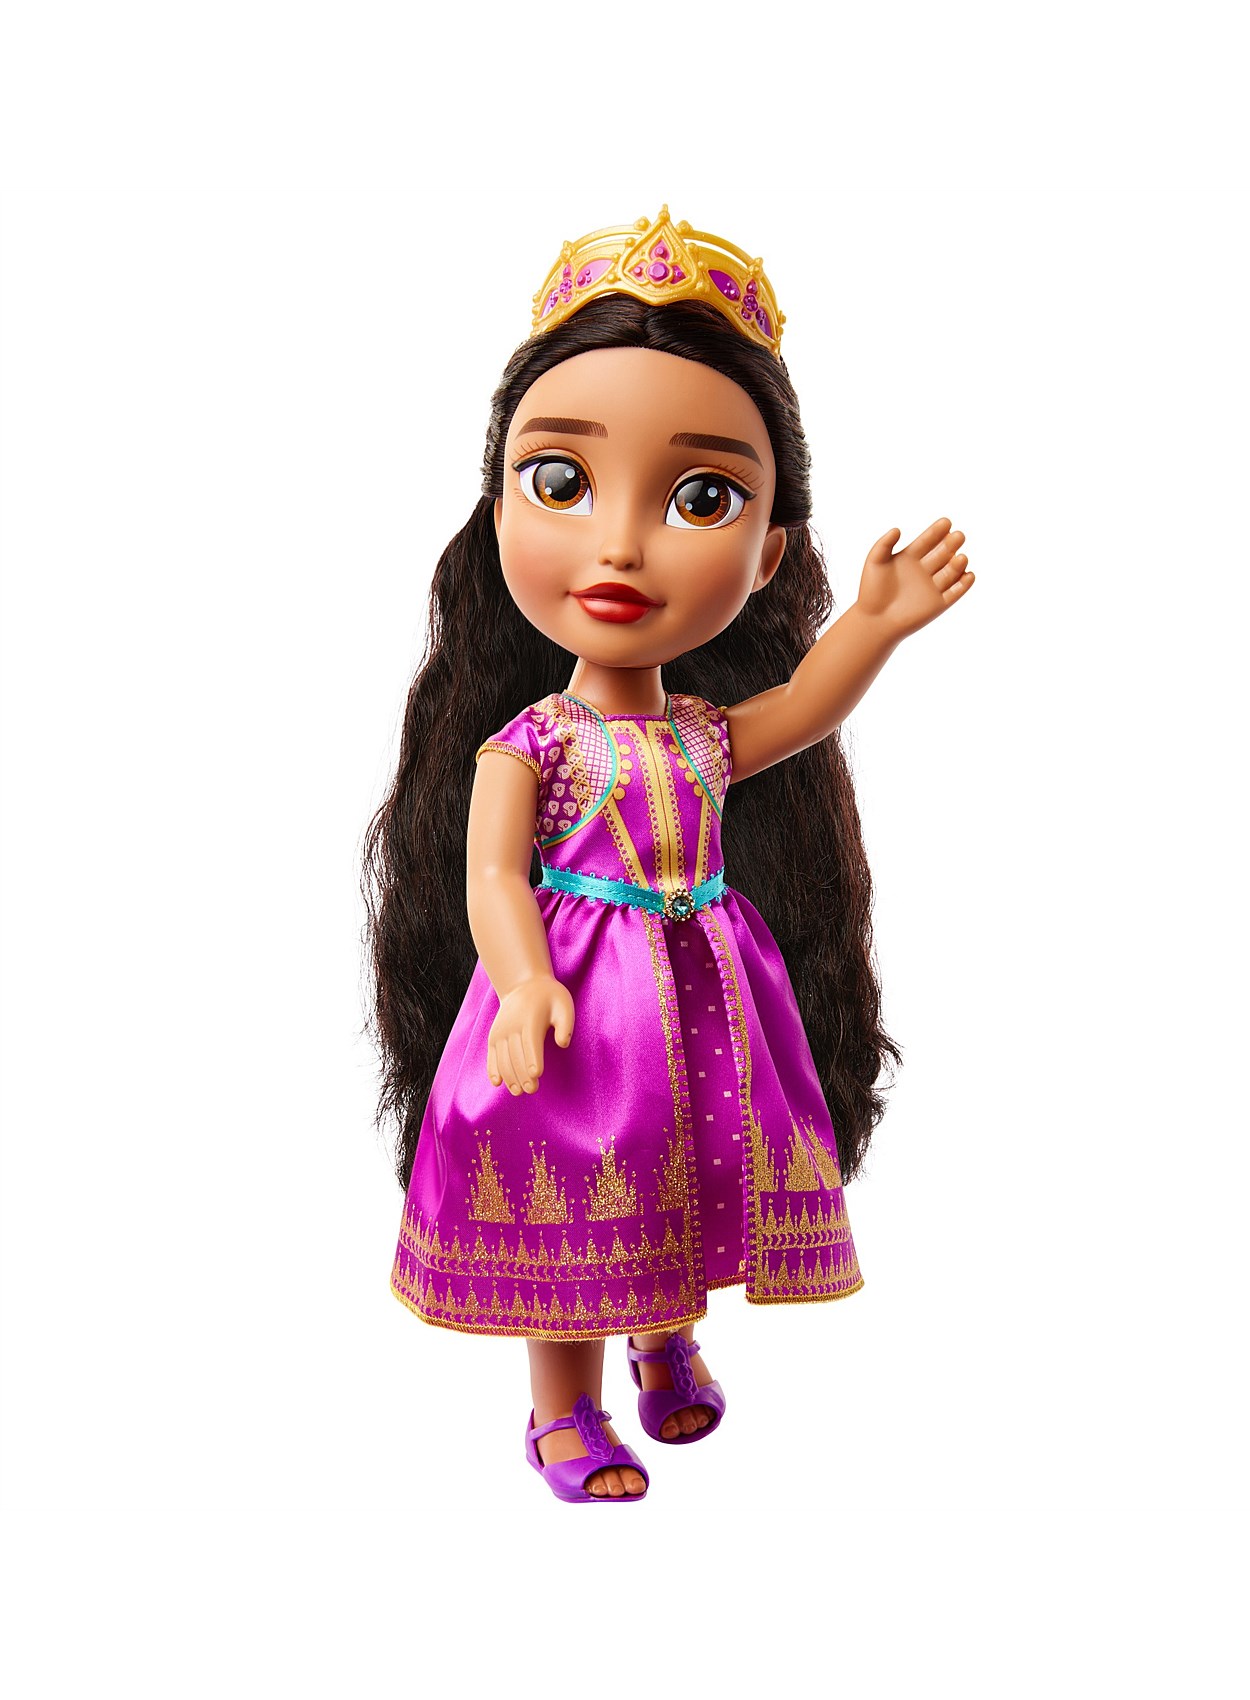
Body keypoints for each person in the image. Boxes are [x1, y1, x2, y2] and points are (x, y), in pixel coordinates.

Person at [363, 208, 974, 1503]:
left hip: (706, 989)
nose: (621, 545)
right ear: (498, 510)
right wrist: (523, 982)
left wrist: (875, 625)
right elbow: (493, 876)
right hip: (577, 1003)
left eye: (701, 498)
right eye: (562, 483)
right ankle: (563, 1412)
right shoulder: (528, 743)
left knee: (686, 1167)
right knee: (579, 1196)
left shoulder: (702, 732)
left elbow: (802, 706)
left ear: (767, 554)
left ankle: (666, 1336)